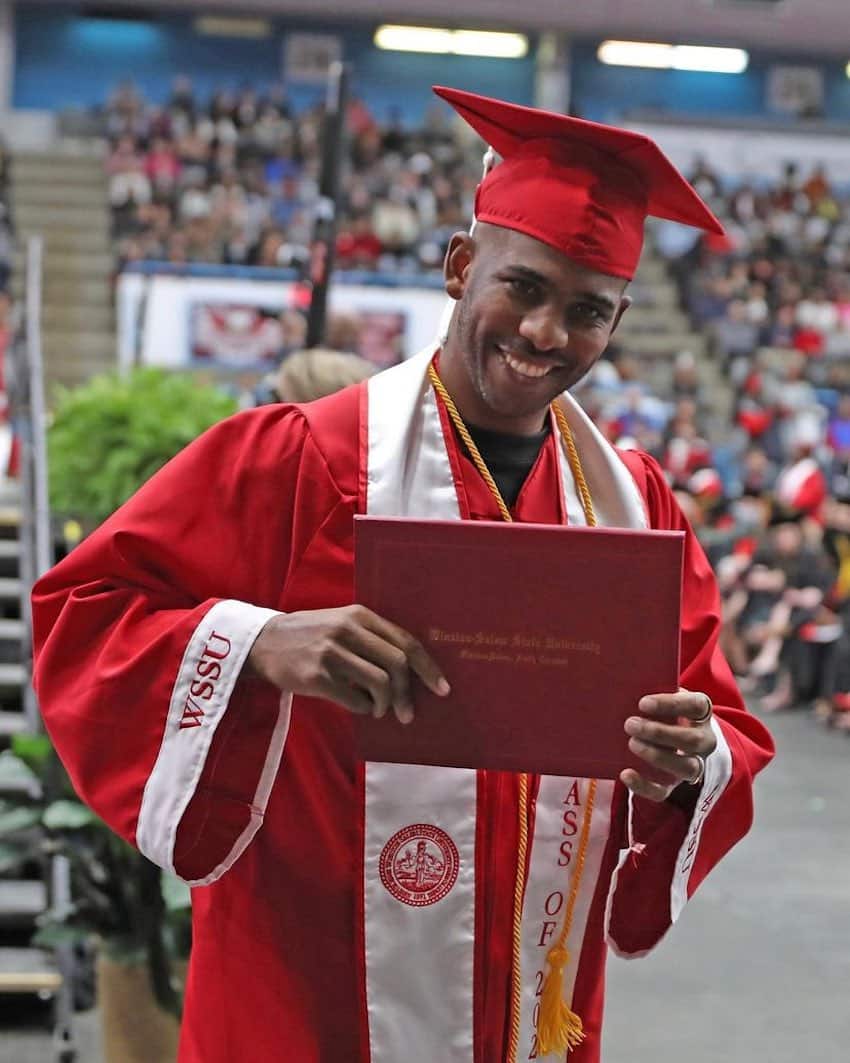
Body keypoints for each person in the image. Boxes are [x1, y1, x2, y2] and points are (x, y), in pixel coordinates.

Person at [31, 88, 773, 1063]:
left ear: (619, 319)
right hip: (307, 989)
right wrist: (258, 644)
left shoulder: (631, 504)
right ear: (462, 266)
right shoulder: (300, 458)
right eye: (524, 288)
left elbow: (718, 719)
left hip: (527, 997)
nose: (547, 333)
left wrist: (688, 759)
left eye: (587, 311)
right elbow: (85, 615)